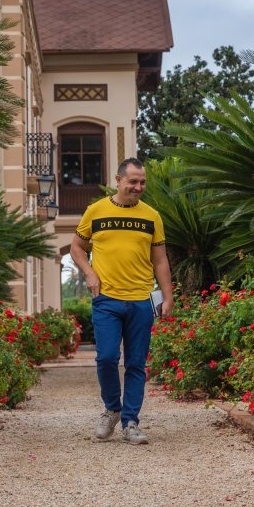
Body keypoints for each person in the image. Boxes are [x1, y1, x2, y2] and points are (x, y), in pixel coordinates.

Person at [70, 157, 174, 444]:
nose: (138, 187)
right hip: (106, 299)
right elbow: (77, 247)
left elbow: (160, 259)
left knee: (136, 364)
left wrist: (168, 296)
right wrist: (89, 273)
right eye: (133, 181)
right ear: (118, 180)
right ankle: (112, 408)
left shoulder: (152, 216)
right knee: (106, 358)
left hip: (141, 300)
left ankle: (130, 422)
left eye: (142, 182)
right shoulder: (96, 211)